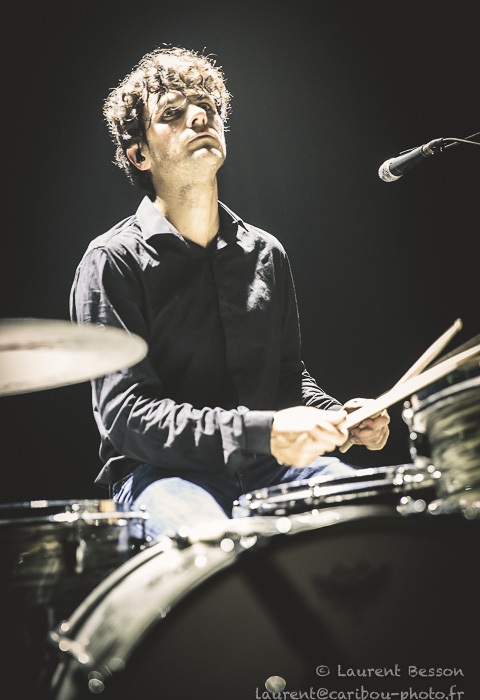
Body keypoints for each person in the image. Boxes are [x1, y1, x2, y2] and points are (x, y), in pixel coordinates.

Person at [70, 46, 390, 541]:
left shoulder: (266, 253)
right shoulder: (112, 261)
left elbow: (286, 379)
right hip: (161, 475)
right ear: (140, 154)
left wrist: (338, 417)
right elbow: (127, 416)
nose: (199, 117)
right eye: (172, 114)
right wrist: (264, 432)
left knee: (371, 515)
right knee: (217, 549)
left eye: (207, 107)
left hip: (269, 469)